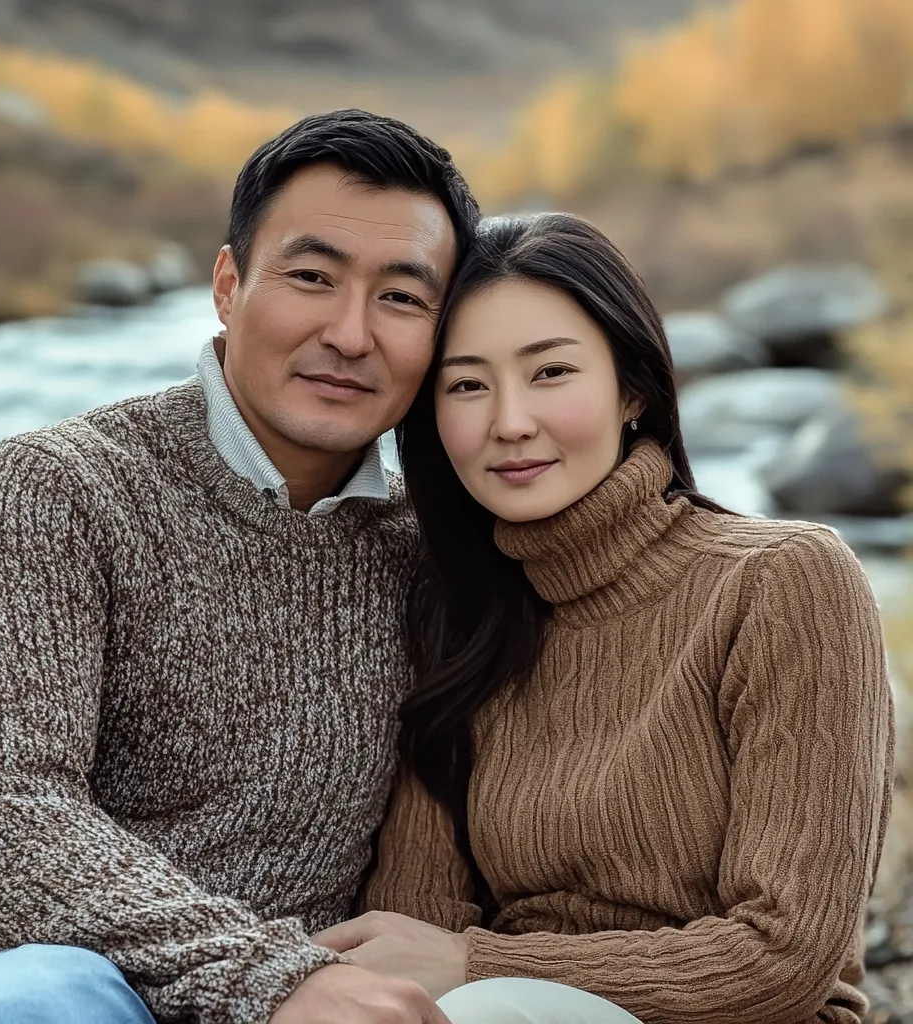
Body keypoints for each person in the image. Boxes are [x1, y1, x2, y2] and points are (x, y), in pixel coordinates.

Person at [0, 109, 480, 1024]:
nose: (351, 333)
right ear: (228, 285)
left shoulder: (427, 551)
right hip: (31, 988)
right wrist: (269, 978)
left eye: (401, 297)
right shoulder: (57, 487)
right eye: (312, 277)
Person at [314, 213, 896, 1024]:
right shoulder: (457, 616)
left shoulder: (782, 581)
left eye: (550, 372)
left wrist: (481, 963)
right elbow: (417, 931)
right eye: (467, 385)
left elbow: (783, 956)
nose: (510, 422)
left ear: (633, 390)